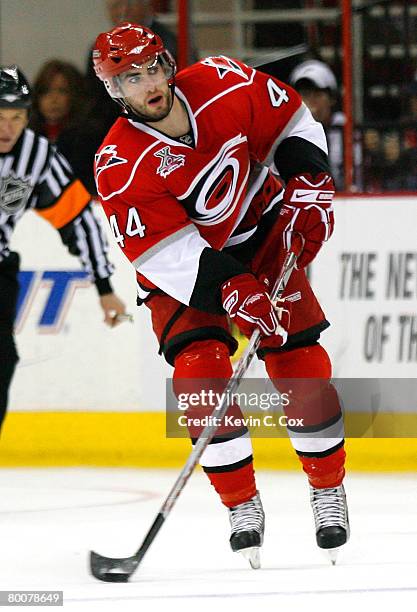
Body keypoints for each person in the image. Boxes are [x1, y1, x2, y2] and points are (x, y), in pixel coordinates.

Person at [92, 23, 349, 568]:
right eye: (130, 79)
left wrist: (308, 185)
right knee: (202, 378)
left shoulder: (222, 81)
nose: (148, 85)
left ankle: (327, 488)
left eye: (152, 69)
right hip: (183, 270)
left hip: (260, 232)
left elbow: (293, 122)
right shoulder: (118, 164)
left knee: (301, 364)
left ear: (168, 63)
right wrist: (232, 287)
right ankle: (242, 505)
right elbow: (164, 253)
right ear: (116, 92)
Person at [0, 65, 126, 435]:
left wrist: (104, 288)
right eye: (0, 118)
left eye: (17, 117)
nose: (8, 128)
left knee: (3, 359)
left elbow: (79, 220)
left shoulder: (36, 155)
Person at [289, 59, 346, 190]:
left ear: (332, 98)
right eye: (305, 94)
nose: (311, 101)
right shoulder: (288, 132)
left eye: (318, 94)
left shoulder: (344, 128)